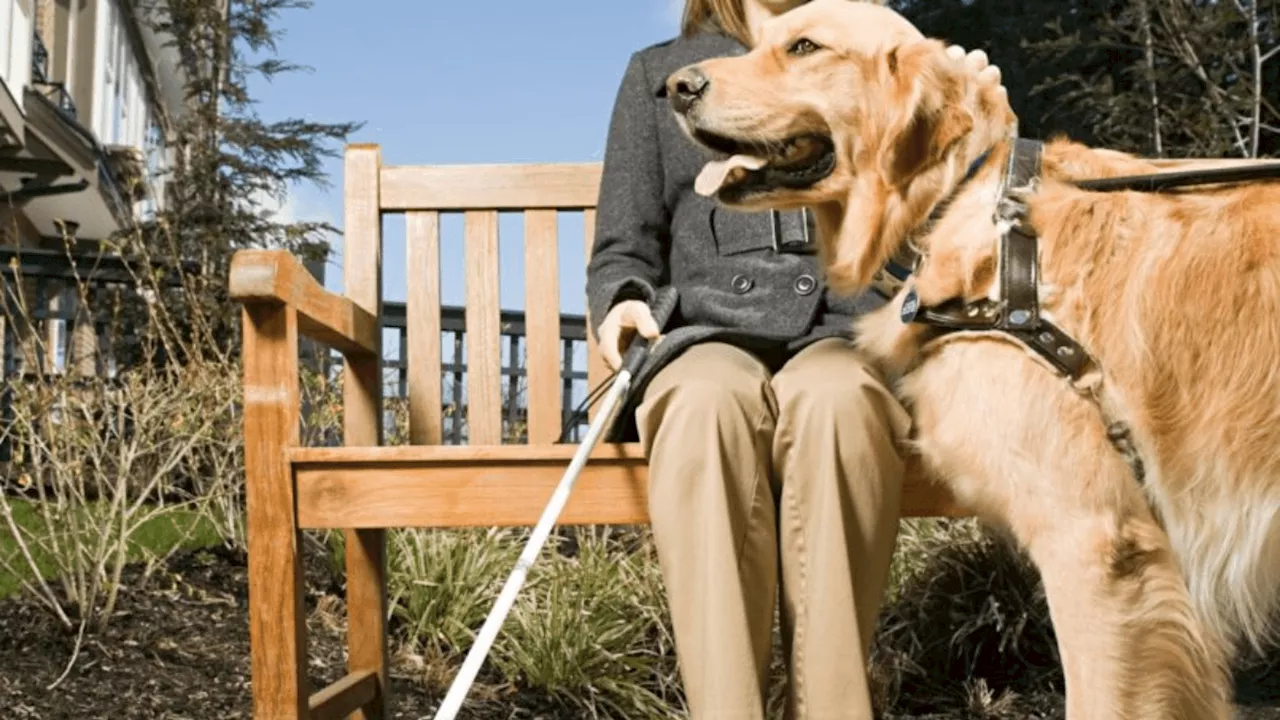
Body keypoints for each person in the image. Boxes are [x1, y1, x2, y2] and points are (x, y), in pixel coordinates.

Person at [585, 2, 1003, 717]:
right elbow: (625, 243)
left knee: (838, 402)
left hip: (849, 329)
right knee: (705, 404)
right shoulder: (660, 72)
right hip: (704, 332)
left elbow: (940, 215)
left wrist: (977, 114)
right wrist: (623, 301)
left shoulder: (881, 45)